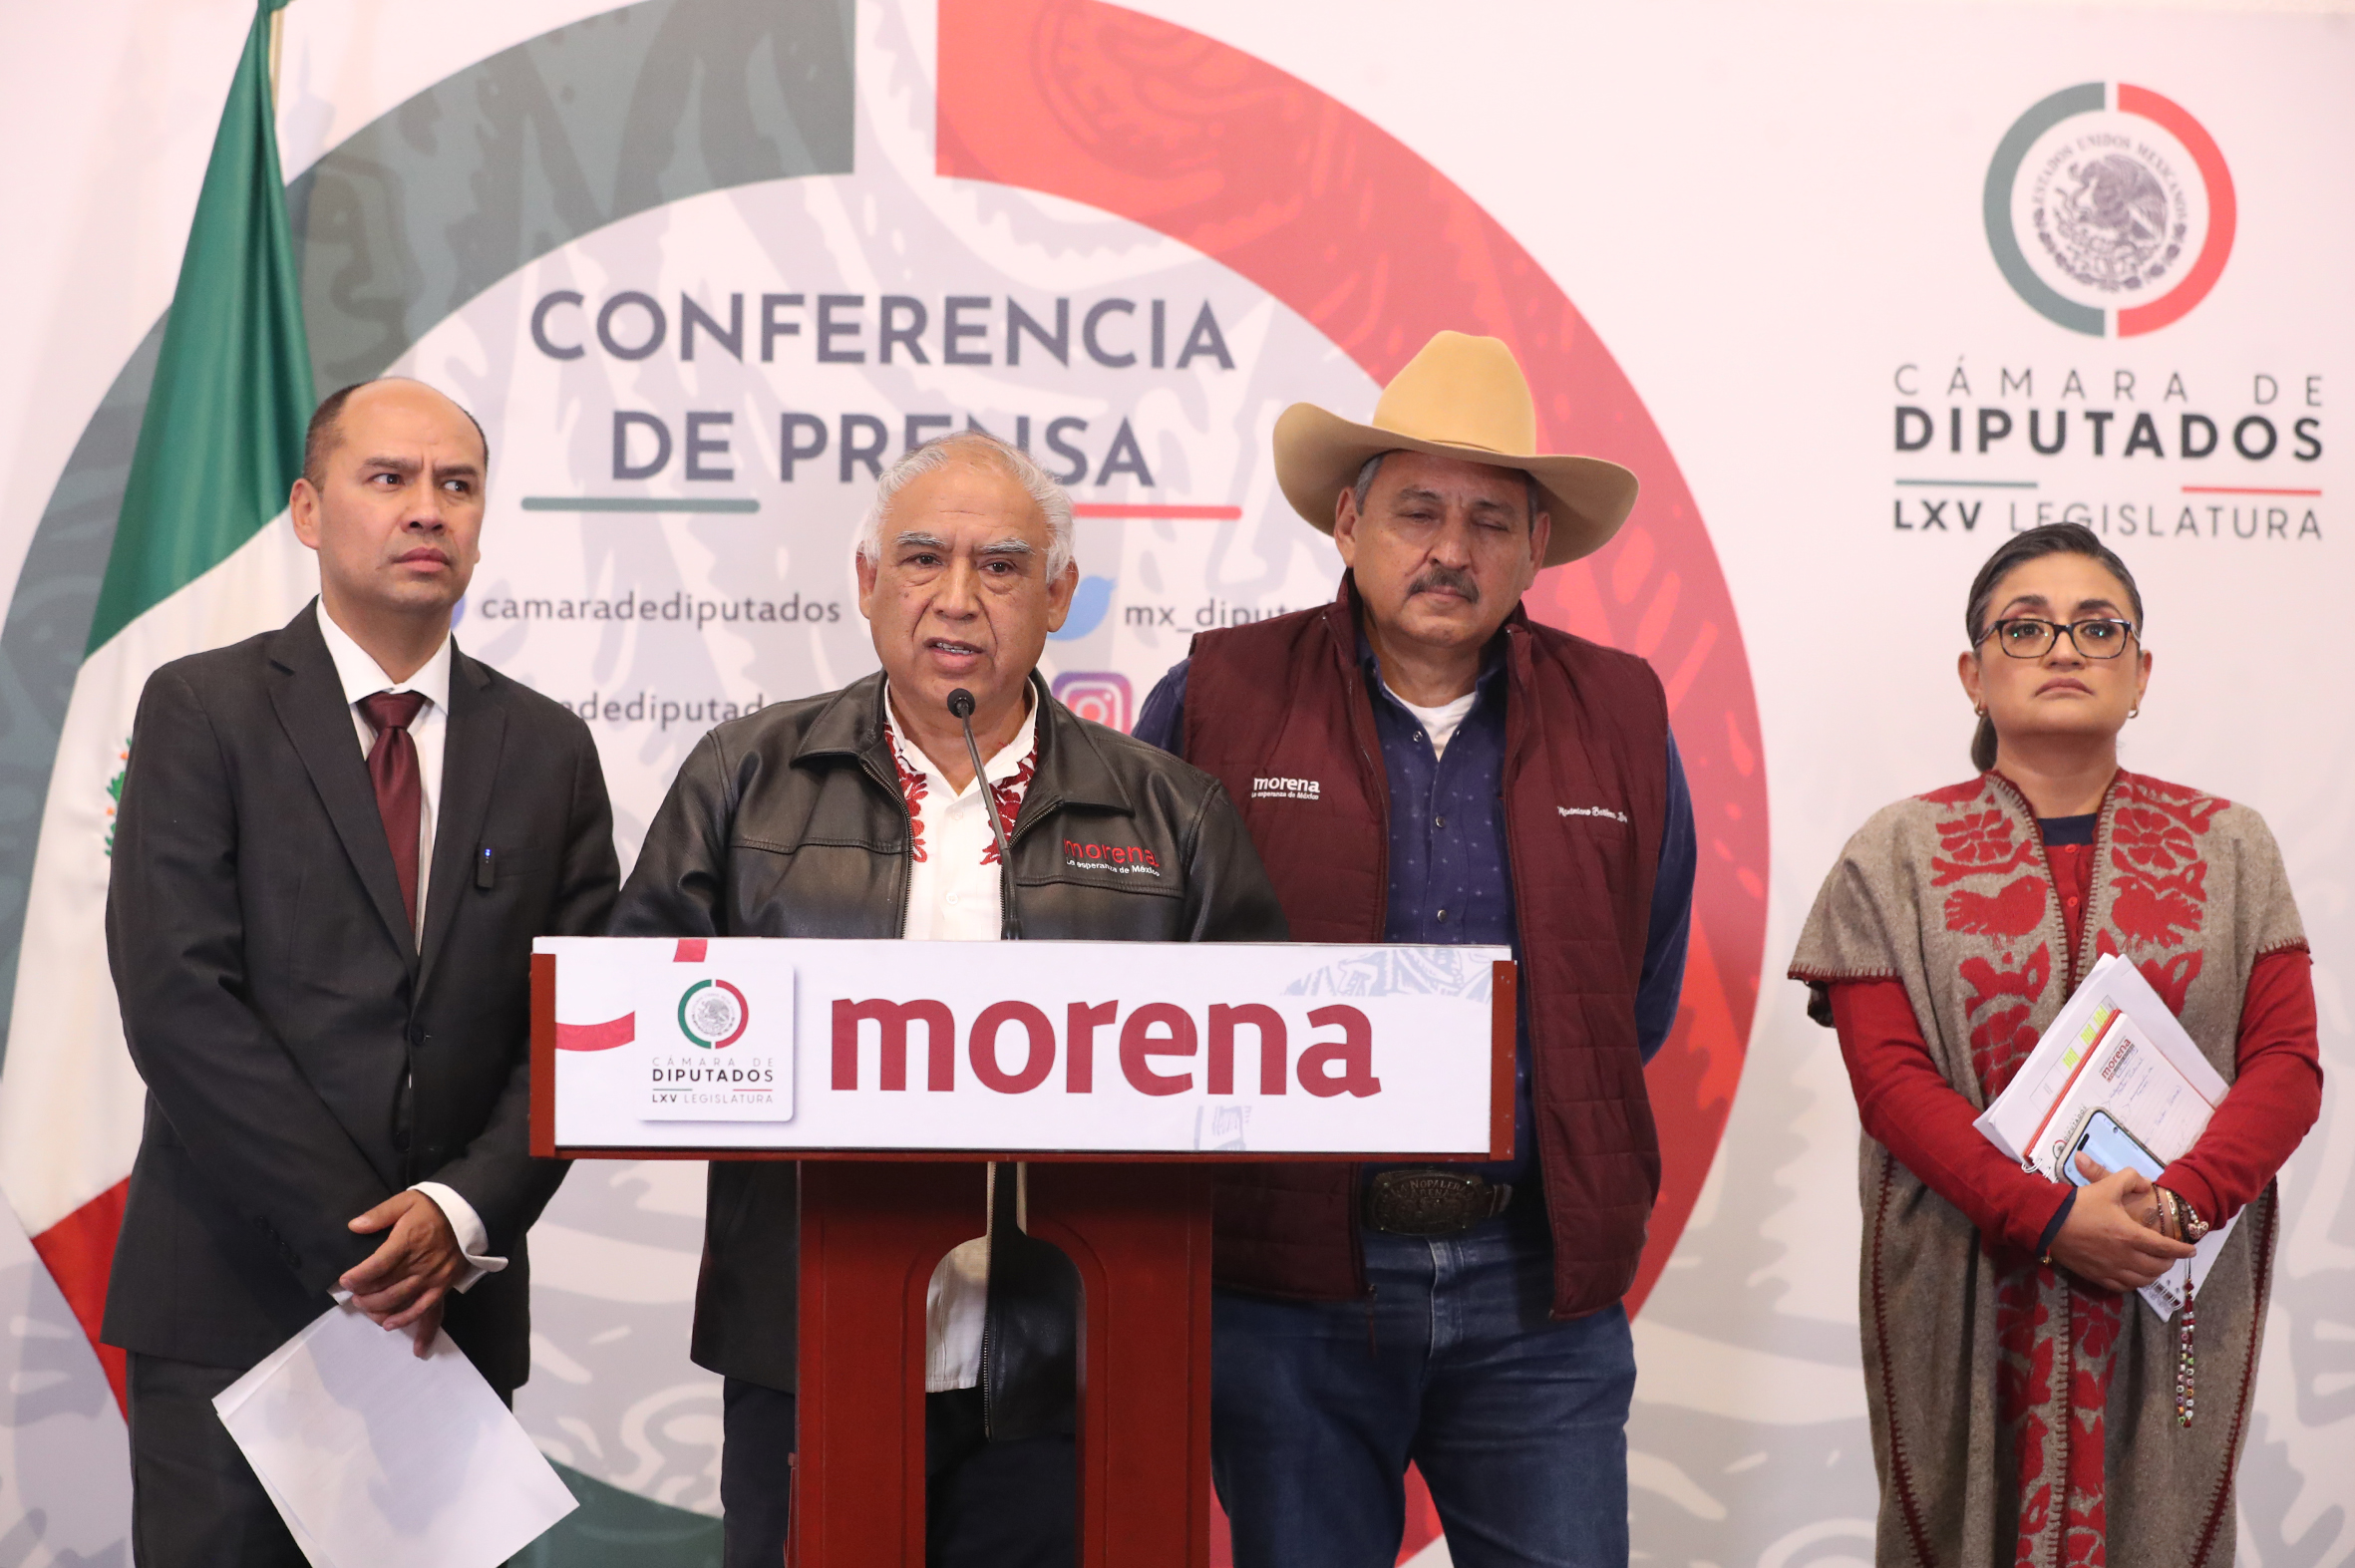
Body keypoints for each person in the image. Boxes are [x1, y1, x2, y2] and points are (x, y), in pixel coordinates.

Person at [613, 428, 1286, 1568]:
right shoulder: (743, 779)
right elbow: (629, 1029)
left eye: (1002, 566)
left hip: (1072, 1362)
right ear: (868, 581)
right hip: (809, 1346)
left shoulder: (1172, 813)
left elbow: (1262, 1078)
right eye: (923, 559)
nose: (958, 598)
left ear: (1059, 594)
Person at [1134, 330, 1698, 1568]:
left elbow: (1632, 996)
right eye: (1418, 511)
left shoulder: (1621, 715)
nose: (1451, 549)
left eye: (1491, 521)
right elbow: (1141, 974)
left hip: (1535, 1285)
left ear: (1537, 546)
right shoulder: (1218, 696)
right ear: (1348, 522)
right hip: (1288, 1282)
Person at [103, 378, 619, 1566]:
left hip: (454, 1313)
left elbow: (580, 1023)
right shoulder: (203, 709)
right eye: (388, 478)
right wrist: (377, 1248)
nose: (427, 508)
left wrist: (457, 1213)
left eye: (457, 484)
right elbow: (179, 1002)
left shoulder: (547, 747)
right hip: (232, 1309)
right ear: (307, 510)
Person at [1789, 522, 2322, 1566]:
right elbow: (1891, 1085)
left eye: (2097, 627)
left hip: (2165, 1267)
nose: (2065, 648)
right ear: (1972, 674)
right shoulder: (1892, 855)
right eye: (2026, 628)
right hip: (1967, 1276)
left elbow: (2287, 1067)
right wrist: (2046, 1218)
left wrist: (2177, 1206)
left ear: (2141, 671)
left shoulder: (2231, 847)